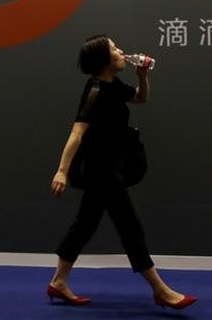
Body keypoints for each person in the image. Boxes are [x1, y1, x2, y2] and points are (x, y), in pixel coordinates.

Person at [47, 34, 197, 310]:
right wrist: (61, 171)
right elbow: (77, 132)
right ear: (104, 60)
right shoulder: (94, 90)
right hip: (100, 169)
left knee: (84, 225)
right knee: (130, 227)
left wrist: (142, 76)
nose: (121, 51)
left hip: (111, 167)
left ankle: (58, 281)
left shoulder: (114, 85)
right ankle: (160, 290)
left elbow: (140, 98)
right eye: (115, 49)